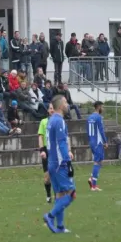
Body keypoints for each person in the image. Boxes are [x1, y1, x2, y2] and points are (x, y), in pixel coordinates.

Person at [43, 95, 76, 234]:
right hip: (59, 163)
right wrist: (68, 162)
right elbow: (62, 143)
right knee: (72, 193)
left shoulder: (51, 121)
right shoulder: (59, 121)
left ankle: (61, 226)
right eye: (66, 102)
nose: (67, 104)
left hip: (52, 162)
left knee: (60, 195)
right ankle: (50, 216)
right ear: (61, 105)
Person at [87, 101, 107, 192]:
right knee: (97, 162)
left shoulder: (89, 117)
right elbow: (101, 130)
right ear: (98, 107)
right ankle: (94, 186)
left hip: (92, 141)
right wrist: (105, 141)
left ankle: (92, 179)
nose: (103, 108)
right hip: (98, 142)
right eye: (102, 107)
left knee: (100, 161)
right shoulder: (98, 117)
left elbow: (87, 130)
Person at [38, 103, 55, 204]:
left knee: (58, 174)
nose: (52, 110)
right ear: (48, 110)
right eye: (50, 108)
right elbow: (40, 136)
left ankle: (58, 195)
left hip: (56, 150)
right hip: (47, 150)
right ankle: (48, 195)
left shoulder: (59, 121)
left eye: (53, 108)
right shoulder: (43, 122)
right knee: (47, 177)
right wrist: (42, 150)